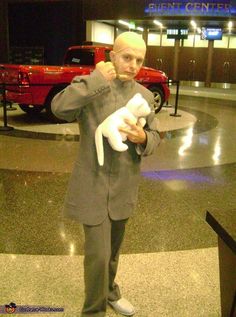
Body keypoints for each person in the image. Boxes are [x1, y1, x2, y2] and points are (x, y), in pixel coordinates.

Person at [51, 31, 161, 317]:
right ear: (112, 56)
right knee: (97, 256)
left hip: (124, 186)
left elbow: (156, 136)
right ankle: (93, 311)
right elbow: (59, 108)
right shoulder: (91, 87)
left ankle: (111, 292)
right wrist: (96, 79)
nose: (133, 65)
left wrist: (143, 138)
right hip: (92, 185)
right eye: (127, 57)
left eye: (139, 59)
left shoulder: (145, 96)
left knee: (112, 252)